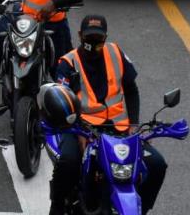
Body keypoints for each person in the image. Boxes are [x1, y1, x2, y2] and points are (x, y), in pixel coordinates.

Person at [47, 15, 167, 215]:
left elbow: (131, 90)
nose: (93, 44)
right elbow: (64, 102)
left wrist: (135, 126)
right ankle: (57, 207)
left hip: (118, 130)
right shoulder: (67, 64)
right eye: (89, 38)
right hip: (82, 128)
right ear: (79, 36)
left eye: (98, 39)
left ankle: (142, 209)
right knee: (68, 161)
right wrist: (78, 133)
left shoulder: (116, 53)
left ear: (105, 37)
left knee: (157, 164)